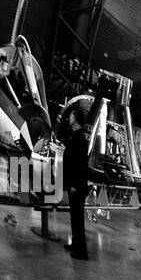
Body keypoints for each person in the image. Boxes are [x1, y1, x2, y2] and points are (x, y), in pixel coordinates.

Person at [64, 111, 90, 261]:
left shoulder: (79, 139)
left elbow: (80, 165)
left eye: (72, 116)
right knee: (74, 218)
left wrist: (74, 185)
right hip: (74, 185)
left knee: (78, 220)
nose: (69, 118)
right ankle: (75, 244)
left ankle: (82, 252)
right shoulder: (76, 136)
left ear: (76, 120)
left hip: (77, 187)